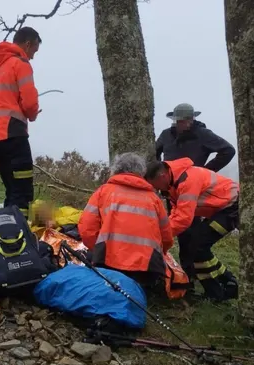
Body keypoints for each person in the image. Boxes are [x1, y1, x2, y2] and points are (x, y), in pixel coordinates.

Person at [145, 158, 239, 301]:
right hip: (221, 210)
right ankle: (224, 285)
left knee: (198, 245)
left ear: (162, 176)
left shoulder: (188, 180)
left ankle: (222, 288)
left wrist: (161, 237)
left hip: (232, 207)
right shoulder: (173, 184)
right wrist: (160, 231)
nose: (157, 190)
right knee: (196, 247)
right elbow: (176, 212)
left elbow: (183, 218)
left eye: (155, 186)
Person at [78, 153, 174, 289]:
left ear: (116, 169)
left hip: (110, 263)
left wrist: (98, 250)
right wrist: (158, 255)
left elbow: (87, 229)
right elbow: (167, 237)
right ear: (141, 172)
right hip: (148, 268)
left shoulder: (103, 192)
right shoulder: (154, 199)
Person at [0, 27, 41, 219]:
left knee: (11, 190)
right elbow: (30, 102)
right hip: (13, 134)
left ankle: (5, 233)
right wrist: (32, 114)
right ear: (28, 44)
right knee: (23, 193)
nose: (32, 57)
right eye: (34, 51)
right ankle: (19, 237)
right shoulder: (21, 64)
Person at [154, 103, 236, 172]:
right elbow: (154, 153)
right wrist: (161, 172)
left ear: (192, 119)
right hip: (169, 186)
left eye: (187, 120)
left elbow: (228, 150)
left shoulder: (203, 134)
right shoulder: (166, 134)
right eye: (180, 121)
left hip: (194, 185)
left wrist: (206, 171)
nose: (184, 123)